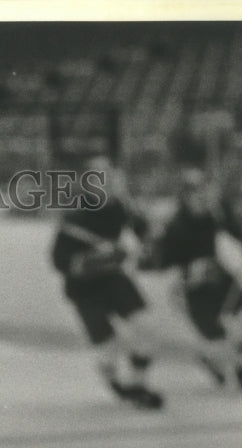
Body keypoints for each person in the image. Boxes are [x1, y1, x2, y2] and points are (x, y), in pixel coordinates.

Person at [50, 155, 165, 409]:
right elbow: (59, 260)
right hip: (85, 289)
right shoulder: (76, 216)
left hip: (113, 280)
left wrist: (151, 238)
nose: (109, 183)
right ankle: (115, 382)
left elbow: (145, 236)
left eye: (110, 176)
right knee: (109, 348)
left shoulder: (120, 207)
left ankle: (138, 384)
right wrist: (94, 259)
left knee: (148, 327)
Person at [145, 164, 242, 390]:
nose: (204, 197)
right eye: (197, 192)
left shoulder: (216, 211)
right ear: (186, 196)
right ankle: (215, 360)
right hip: (193, 287)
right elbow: (158, 262)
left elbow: (237, 231)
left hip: (219, 277)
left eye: (206, 191)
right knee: (217, 339)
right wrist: (156, 249)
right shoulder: (175, 226)